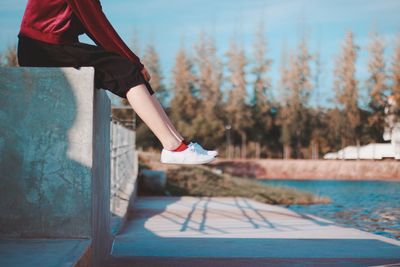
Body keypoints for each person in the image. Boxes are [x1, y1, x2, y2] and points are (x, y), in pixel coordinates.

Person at [17, 0, 218, 165]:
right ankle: (173, 146)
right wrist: (133, 61)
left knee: (130, 71)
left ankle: (179, 143)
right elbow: (98, 27)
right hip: (43, 49)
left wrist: (133, 63)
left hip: (50, 46)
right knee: (124, 69)